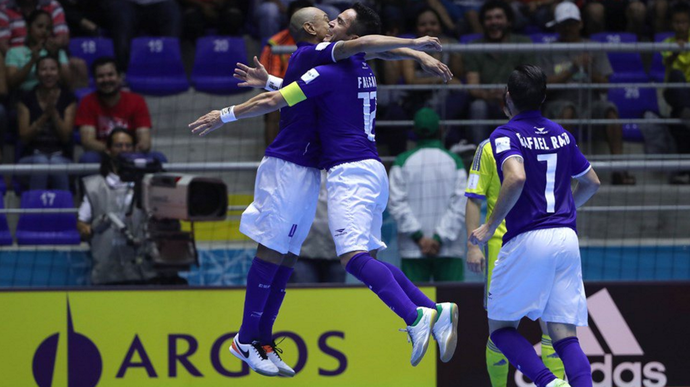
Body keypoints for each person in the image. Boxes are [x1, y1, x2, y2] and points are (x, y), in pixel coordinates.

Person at [189, 3, 457, 377]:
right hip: (294, 166)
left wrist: (414, 49)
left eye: (340, 21)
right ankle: (250, 338)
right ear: (314, 30)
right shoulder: (325, 59)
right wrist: (227, 113)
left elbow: (307, 85)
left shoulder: (334, 67)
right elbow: (286, 94)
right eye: (328, 19)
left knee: (302, 255)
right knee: (282, 251)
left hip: (326, 170)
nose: (332, 22)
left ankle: (260, 337)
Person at [469, 64, 600, 387]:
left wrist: (489, 226)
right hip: (566, 239)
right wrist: (564, 211)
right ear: (543, 97)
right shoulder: (562, 134)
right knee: (564, 335)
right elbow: (593, 183)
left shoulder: (505, 134)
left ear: (508, 97)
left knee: (501, 331)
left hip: (528, 238)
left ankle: (548, 382)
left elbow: (516, 177)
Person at [465, 134, 566, 385]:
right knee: (507, 330)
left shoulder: (544, 142)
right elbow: (473, 197)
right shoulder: (488, 147)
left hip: (537, 244)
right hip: (508, 247)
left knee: (545, 326)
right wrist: (473, 247)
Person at [538, 1, 634, 185]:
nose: (568, 28)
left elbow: (604, 86)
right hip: (559, 102)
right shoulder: (547, 50)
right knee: (567, 112)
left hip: (591, 102)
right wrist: (573, 68)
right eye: (564, 24)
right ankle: (560, 173)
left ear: (580, 24)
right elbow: (544, 86)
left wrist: (589, 68)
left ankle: (619, 169)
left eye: (572, 23)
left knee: (611, 112)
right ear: (557, 26)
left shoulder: (593, 47)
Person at [388, 107, 468, 283]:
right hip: (448, 248)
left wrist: (419, 238)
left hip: (413, 249)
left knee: (413, 308)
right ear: (441, 130)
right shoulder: (454, 162)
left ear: (414, 132)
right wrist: (439, 238)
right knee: (452, 306)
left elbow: (396, 204)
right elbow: (461, 204)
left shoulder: (402, 162)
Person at [76, 128, 158, 285]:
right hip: (107, 271)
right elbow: (82, 222)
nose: (124, 150)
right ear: (108, 150)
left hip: (143, 272)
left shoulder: (148, 184)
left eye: (128, 146)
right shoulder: (94, 186)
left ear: (134, 149)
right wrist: (88, 229)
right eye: (119, 145)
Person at [464, 0, 534, 145]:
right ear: (483, 24)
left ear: (509, 22)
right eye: (489, 18)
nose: (494, 22)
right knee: (477, 106)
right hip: (487, 100)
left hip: (515, 99)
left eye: (498, 17)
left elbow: (530, 80)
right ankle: (480, 154)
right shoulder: (474, 48)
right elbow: (473, 86)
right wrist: (488, 94)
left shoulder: (523, 43)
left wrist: (508, 95)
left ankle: (524, 151)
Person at [75, 57, 165, 164]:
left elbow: (145, 141)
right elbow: (88, 141)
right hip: (103, 154)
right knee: (88, 158)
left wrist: (133, 148)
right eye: (100, 76)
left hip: (132, 153)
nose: (106, 79)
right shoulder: (87, 102)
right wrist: (115, 150)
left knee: (159, 158)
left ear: (119, 78)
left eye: (110, 75)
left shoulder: (137, 101)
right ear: (94, 80)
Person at [17, 54, 76, 191]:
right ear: (37, 74)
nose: (48, 73)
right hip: (31, 157)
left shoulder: (68, 98)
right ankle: (34, 211)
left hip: (61, 157)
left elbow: (65, 136)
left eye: (53, 69)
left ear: (59, 73)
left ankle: (64, 211)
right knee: (41, 162)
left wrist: (53, 112)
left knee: (56, 163)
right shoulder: (26, 99)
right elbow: (24, 137)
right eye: (43, 69)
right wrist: (44, 116)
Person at [258, 0, 313, 146]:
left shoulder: (324, 43)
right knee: (272, 108)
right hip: (285, 90)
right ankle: (271, 155)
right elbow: (270, 77)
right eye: (299, 19)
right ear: (290, 20)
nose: (304, 25)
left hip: (314, 89)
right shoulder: (276, 43)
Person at [290, 170, 346, 283]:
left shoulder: (343, 173)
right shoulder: (298, 171)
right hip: (302, 253)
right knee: (304, 298)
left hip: (337, 253)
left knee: (335, 299)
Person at [5, 10, 71, 93]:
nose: (44, 31)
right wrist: (32, 60)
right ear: (28, 27)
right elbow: (12, 83)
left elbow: (68, 84)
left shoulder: (57, 51)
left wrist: (55, 56)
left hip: (52, 97)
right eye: (40, 26)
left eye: (48, 28)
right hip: (24, 97)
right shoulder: (14, 52)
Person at [661, 1, 690, 184]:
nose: (681, 26)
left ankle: (685, 171)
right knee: (677, 76)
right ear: (672, 24)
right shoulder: (667, 43)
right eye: (677, 22)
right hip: (674, 92)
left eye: (684, 22)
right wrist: (675, 51)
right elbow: (669, 64)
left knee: (679, 121)